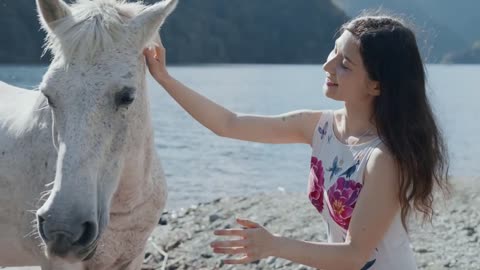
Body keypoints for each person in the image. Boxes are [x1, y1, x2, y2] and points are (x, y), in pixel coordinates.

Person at [143, 14, 449, 270]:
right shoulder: (320, 126)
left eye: (345, 64)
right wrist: (165, 79)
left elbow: (355, 255)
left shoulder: (383, 157)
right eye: (333, 52)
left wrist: (274, 244)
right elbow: (229, 124)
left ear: (376, 84)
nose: (328, 67)